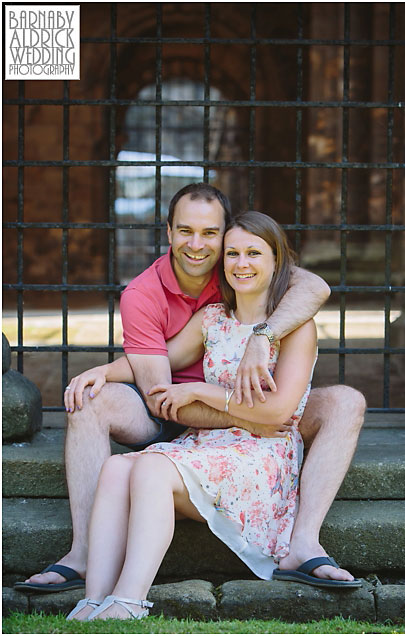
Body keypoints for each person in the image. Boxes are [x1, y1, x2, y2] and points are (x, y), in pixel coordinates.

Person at [15, 184, 365, 595]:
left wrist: (263, 336)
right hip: (179, 414)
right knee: (97, 412)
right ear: (168, 232)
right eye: (185, 231)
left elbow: (316, 288)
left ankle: (302, 543)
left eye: (211, 234)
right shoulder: (161, 300)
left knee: (346, 401)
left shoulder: (248, 274)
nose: (198, 245)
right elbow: (161, 374)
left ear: (225, 235)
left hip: (259, 423)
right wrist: (111, 373)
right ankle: (87, 557)